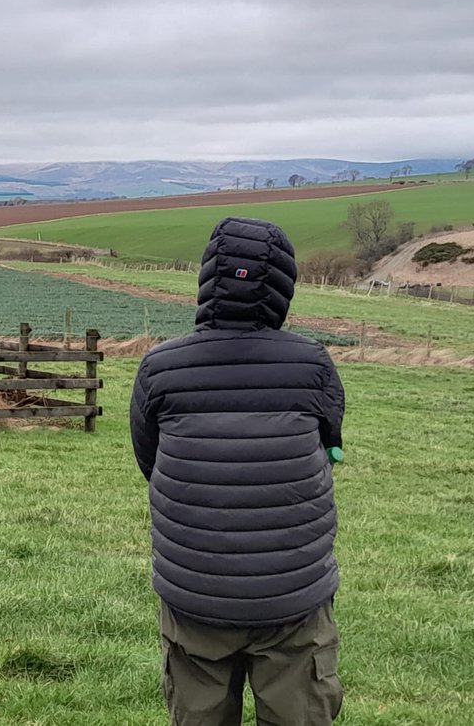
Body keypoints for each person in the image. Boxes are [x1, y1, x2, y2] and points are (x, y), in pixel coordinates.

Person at [129, 217, 345, 725]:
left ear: (208, 279)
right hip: (292, 596)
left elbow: (149, 458)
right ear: (282, 287)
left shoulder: (160, 367)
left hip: (194, 594)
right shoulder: (313, 364)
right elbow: (329, 443)